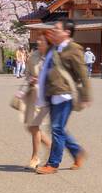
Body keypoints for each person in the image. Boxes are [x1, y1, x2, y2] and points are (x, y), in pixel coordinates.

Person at [35, 20, 92, 175]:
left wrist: (86, 95)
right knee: (57, 128)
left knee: (56, 129)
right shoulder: (54, 48)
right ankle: (77, 152)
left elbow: (83, 74)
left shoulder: (74, 50)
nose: (53, 30)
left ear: (67, 32)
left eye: (57, 28)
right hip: (52, 93)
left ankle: (53, 164)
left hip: (64, 95)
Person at [21, 33, 52, 169]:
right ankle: (52, 147)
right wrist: (30, 79)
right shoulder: (33, 56)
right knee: (31, 126)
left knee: (34, 126)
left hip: (47, 96)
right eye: (38, 41)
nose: (39, 43)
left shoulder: (53, 57)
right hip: (33, 94)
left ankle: (35, 157)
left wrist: (43, 80)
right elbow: (27, 73)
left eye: (42, 41)